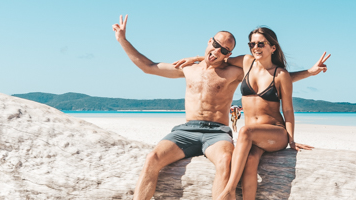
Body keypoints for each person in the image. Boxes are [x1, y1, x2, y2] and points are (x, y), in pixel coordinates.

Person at [113, 15, 327, 200]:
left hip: (217, 133)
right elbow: (148, 66)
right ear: (209, 41)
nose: (218, 50)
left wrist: (309, 72)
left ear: (228, 54)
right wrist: (122, 40)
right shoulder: (188, 69)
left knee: (226, 161)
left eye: (225, 50)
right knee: (152, 158)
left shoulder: (235, 71)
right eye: (216, 45)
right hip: (186, 131)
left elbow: (276, 77)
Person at [199, 27, 321, 199]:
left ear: (273, 48)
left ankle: (229, 190)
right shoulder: (247, 62)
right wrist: (195, 59)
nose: (255, 47)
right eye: (252, 43)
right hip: (252, 137)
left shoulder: (281, 75)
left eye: (260, 44)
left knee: (245, 131)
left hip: (275, 133)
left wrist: (292, 140)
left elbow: (287, 109)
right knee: (249, 162)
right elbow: (220, 59)